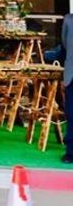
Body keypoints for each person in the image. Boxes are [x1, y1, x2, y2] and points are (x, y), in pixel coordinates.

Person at [61, 14, 73, 164]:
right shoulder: (68, 20)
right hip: (72, 75)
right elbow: (64, 44)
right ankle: (71, 151)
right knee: (71, 114)